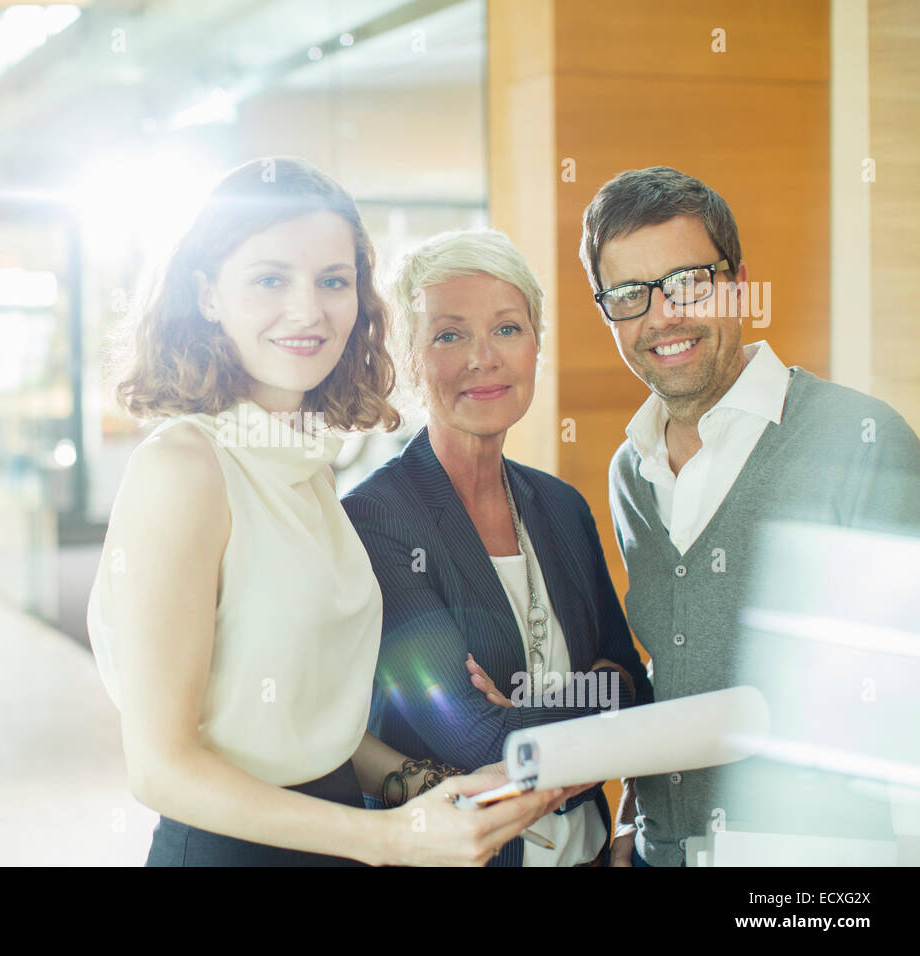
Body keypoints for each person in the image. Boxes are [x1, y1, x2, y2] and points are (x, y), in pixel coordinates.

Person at [86, 157, 569, 867]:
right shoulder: (185, 469)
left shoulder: (303, 467)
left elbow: (297, 724)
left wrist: (420, 784)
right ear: (208, 294)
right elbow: (161, 768)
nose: (308, 309)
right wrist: (387, 838)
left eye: (333, 281)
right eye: (271, 279)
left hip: (335, 835)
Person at [581, 165, 920, 867]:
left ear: (738, 283)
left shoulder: (861, 440)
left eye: (689, 283)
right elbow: (672, 659)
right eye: (628, 294)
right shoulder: (630, 474)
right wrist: (634, 814)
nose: (663, 316)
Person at [340, 227, 652, 867]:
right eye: (449, 335)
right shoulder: (376, 519)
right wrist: (590, 701)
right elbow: (481, 742)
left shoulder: (561, 506)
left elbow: (637, 693)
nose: (483, 358)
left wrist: (528, 706)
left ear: (536, 344)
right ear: (408, 356)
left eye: (508, 329)